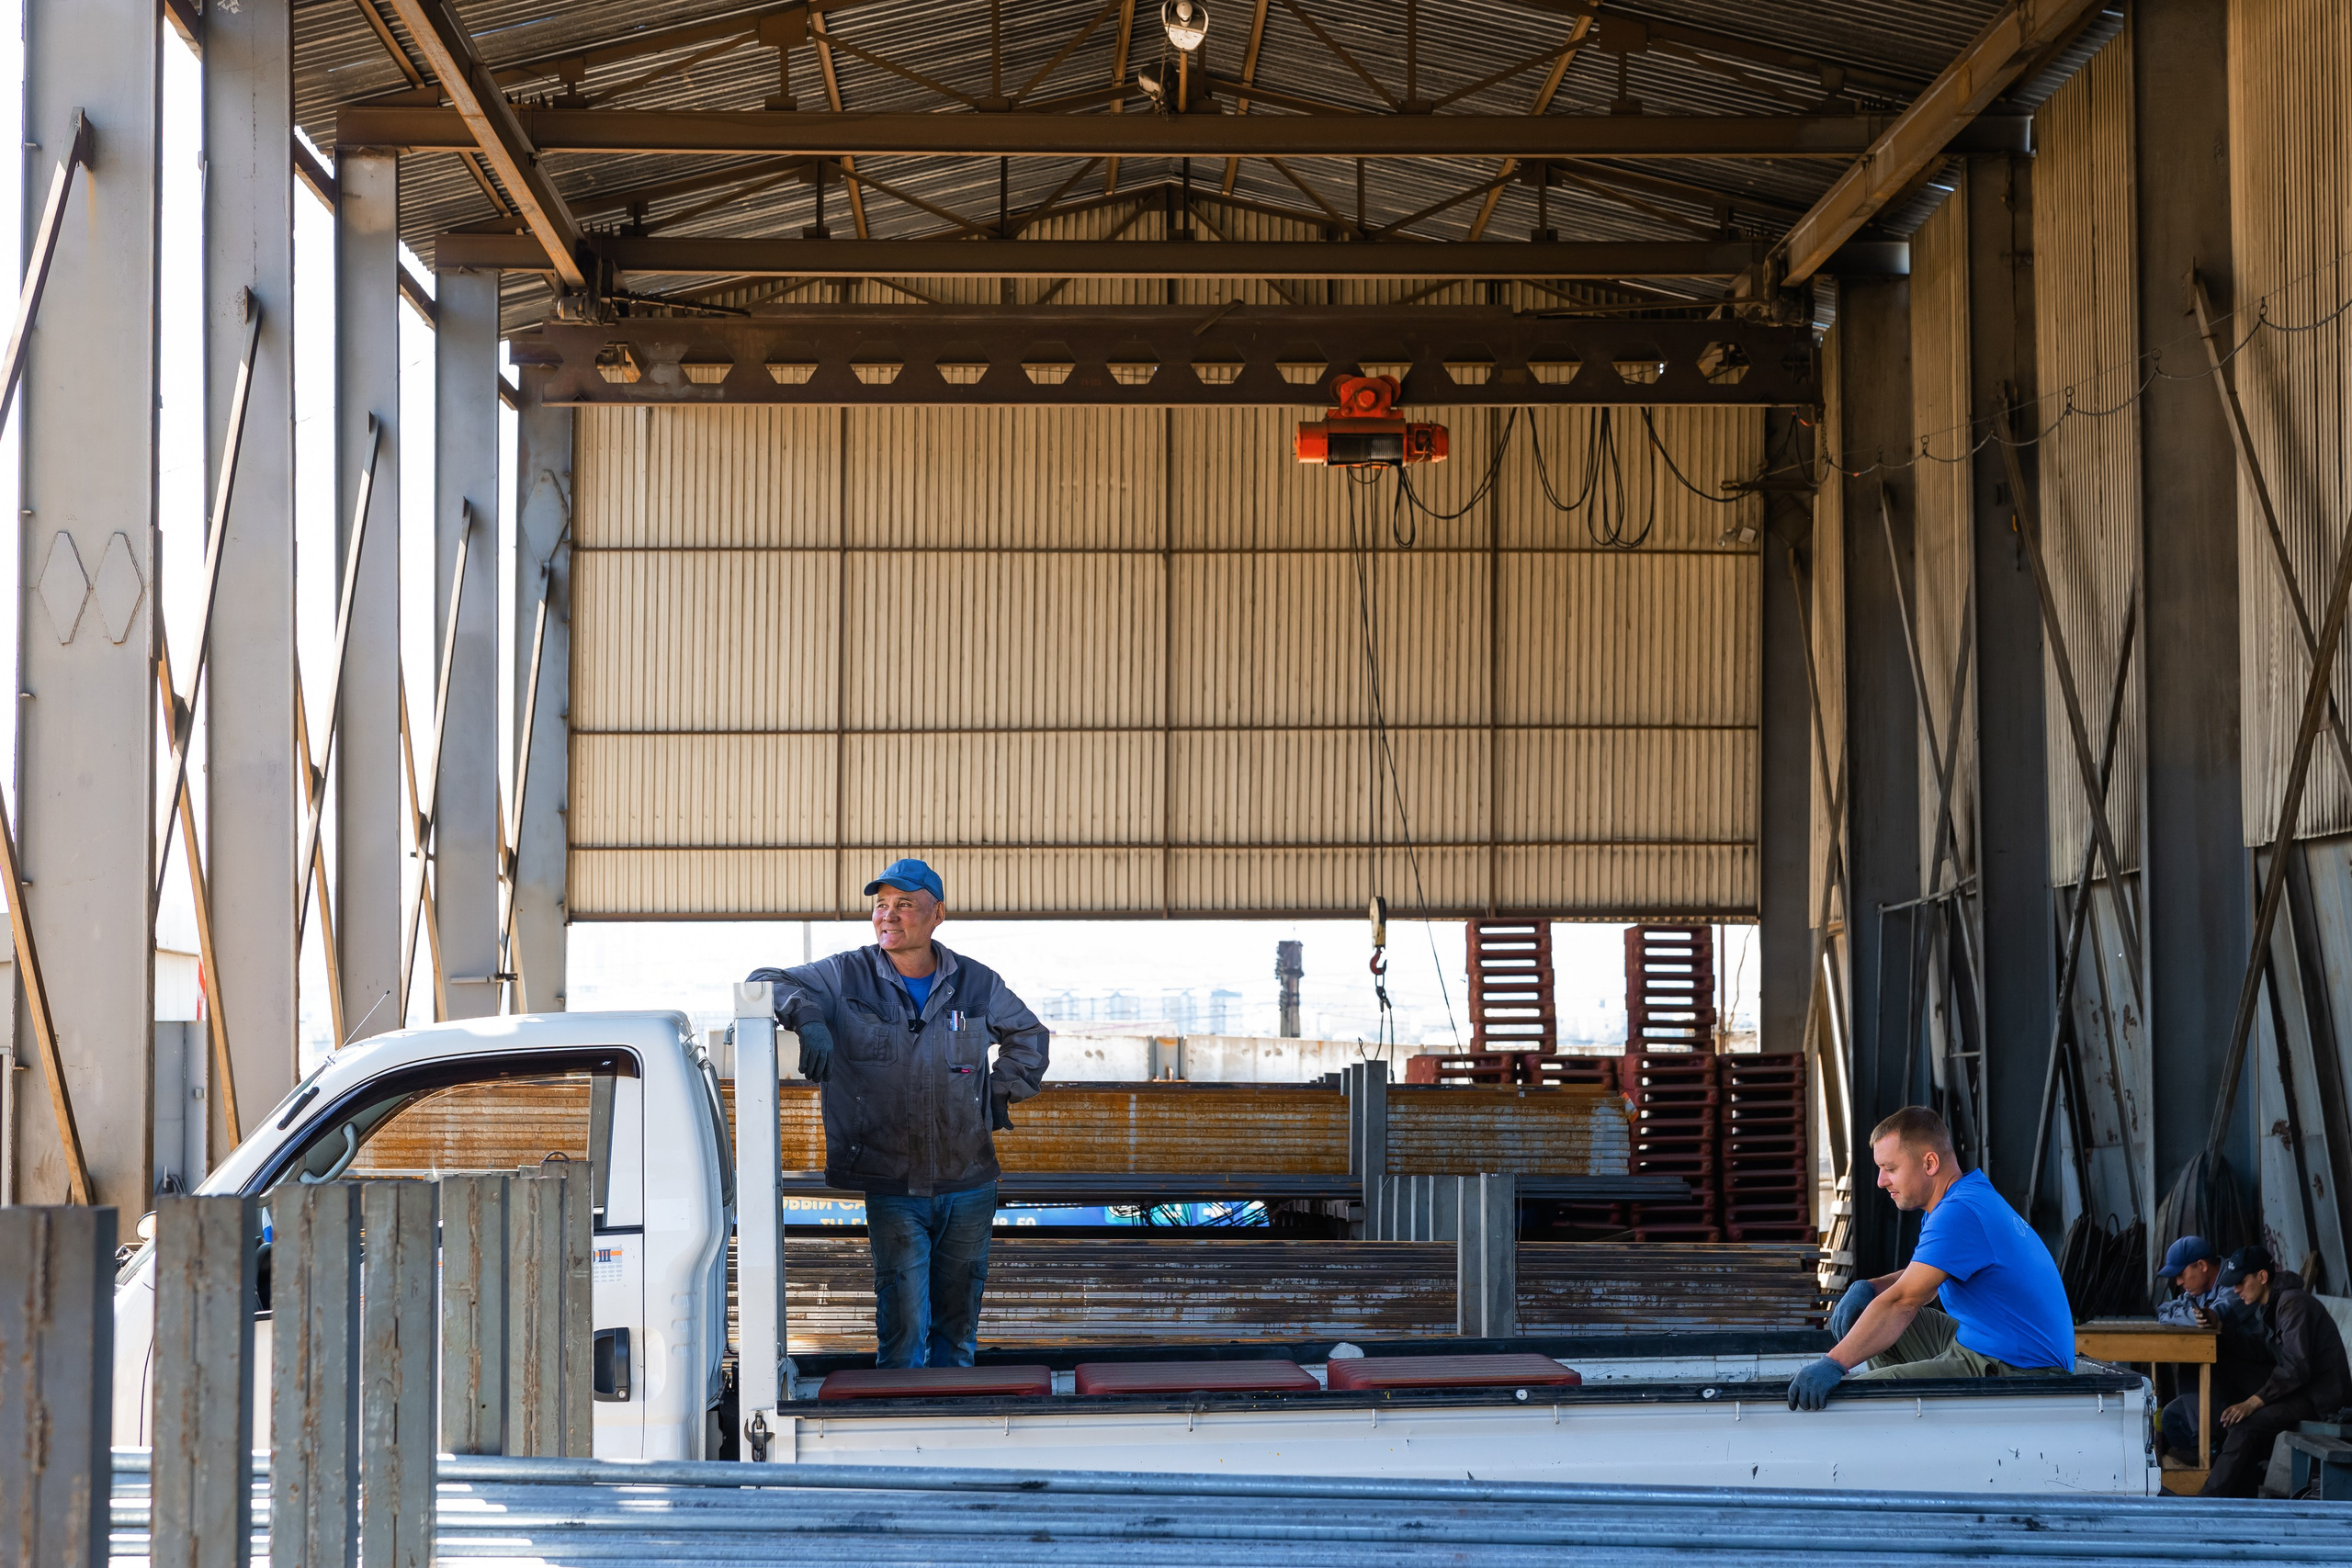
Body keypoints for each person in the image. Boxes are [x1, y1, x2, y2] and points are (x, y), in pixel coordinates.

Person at [748, 858, 1050, 1370]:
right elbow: (764, 979)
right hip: (890, 1180)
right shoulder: (846, 974)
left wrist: (995, 1096)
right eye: (881, 905)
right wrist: (809, 1017)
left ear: (938, 915)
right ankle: (901, 1415)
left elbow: (1029, 1036)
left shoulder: (977, 984)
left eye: (905, 905)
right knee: (905, 1316)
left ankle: (952, 1418)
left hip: (969, 1179)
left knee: (958, 1318)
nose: (889, 916)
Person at [1789, 1106, 2075, 1411]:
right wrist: (1870, 1287)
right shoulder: (1965, 1195)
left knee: (1856, 1401)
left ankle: (1899, 1422)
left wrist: (1833, 1363)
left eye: (1890, 1168)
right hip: (1984, 1339)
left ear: (1929, 1163)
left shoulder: (1959, 1213)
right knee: (1868, 1310)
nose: (1881, 1181)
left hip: (2019, 1367)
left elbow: (1905, 1301)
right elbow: (1925, 1275)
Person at [2199, 1246, 2352, 1497]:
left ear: (2262, 1277)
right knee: (2226, 1368)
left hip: (2320, 1399)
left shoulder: (2294, 1304)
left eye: (2241, 1282)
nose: (2236, 1290)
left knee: (2245, 1424)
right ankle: (2237, 1493)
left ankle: (2206, 1502)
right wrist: (2221, 1327)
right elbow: (2260, 1352)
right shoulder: (2272, 1305)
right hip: (2299, 1389)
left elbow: (2296, 1368)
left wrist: (2252, 1403)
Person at [2153, 1235, 2274, 1465]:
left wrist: (2193, 1316)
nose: (2179, 1283)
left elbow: (2211, 1319)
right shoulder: (2197, 1291)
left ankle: (2207, 1447)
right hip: (2223, 1378)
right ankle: (2208, 1453)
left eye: (2181, 1274)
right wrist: (2188, 1316)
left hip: (2255, 1376)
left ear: (2202, 1266)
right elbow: (2163, 1311)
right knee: (2171, 1417)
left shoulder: (2235, 1282)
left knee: (2194, 1361)